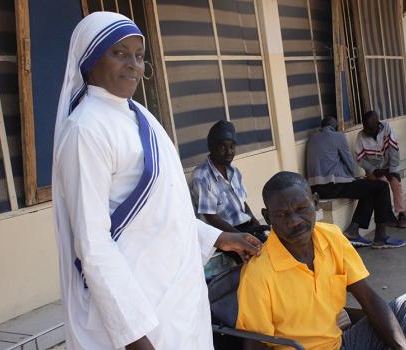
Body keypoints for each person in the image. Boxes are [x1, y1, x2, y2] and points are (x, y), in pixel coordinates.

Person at [52, 12, 261, 350]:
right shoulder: (85, 130)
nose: (134, 64)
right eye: (119, 53)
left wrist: (219, 236)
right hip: (139, 313)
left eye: (138, 55)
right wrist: (134, 336)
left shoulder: (141, 116)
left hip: (180, 297)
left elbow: (164, 211)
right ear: (90, 59)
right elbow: (93, 245)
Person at [236, 171, 406, 350]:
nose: (294, 221)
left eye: (301, 209)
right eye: (282, 214)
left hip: (342, 343)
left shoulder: (332, 236)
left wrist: (402, 347)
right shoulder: (258, 273)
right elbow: (255, 344)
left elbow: (369, 299)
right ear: (268, 216)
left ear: (315, 203)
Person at [306, 116, 405, 249]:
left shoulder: (312, 139)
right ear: (335, 127)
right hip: (334, 185)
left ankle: (353, 230)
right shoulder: (338, 136)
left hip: (316, 189)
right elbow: (350, 165)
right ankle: (381, 236)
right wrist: (353, 178)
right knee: (381, 186)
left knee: (369, 190)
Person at [191, 120, 268, 278]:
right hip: (224, 235)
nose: (229, 151)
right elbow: (210, 217)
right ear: (211, 147)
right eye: (222, 146)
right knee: (258, 261)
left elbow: (242, 202)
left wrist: (254, 220)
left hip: (244, 227)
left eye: (232, 146)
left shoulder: (234, 172)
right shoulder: (202, 176)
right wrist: (239, 237)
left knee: (272, 246)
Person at [355, 111, 406, 228]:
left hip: (389, 165)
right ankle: (388, 216)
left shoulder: (387, 128)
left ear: (377, 124)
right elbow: (360, 159)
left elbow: (393, 149)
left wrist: (393, 170)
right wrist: (373, 169)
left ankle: (401, 213)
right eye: (365, 127)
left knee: (396, 183)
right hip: (373, 169)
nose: (366, 131)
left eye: (369, 128)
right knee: (382, 184)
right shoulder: (360, 136)